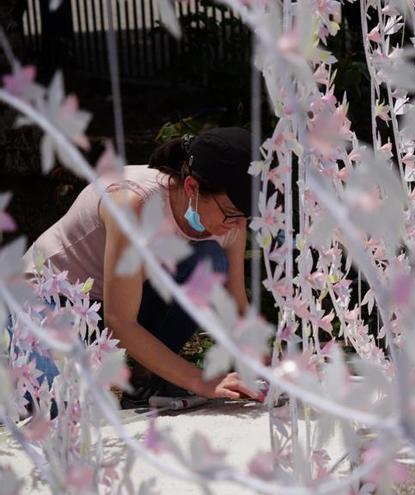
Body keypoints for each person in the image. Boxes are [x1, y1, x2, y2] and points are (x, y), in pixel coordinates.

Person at [20, 127, 261, 407]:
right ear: (192, 187)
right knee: (54, 409)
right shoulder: (131, 203)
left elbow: (237, 302)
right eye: (231, 214)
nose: (237, 224)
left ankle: (145, 382)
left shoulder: (231, 218)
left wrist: (265, 361)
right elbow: (120, 320)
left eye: (244, 216)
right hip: (46, 300)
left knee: (211, 260)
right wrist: (201, 380)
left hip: (112, 299)